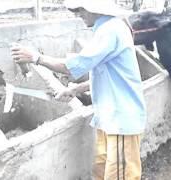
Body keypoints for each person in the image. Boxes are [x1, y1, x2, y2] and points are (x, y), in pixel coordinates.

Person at [10, 0, 147, 179]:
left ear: (96, 7)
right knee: (102, 171)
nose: (77, 14)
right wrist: (76, 90)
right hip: (109, 117)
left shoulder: (110, 30)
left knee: (120, 176)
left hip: (121, 119)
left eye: (81, 9)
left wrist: (36, 57)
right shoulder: (109, 28)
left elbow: (74, 66)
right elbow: (109, 74)